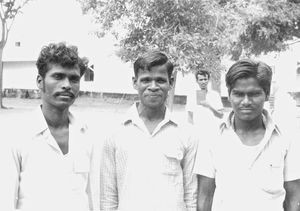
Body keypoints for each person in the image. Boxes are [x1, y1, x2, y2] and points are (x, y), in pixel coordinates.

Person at [194, 59, 300, 211]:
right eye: (238, 94)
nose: (246, 102)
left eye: (254, 94)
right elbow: (205, 197)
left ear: (267, 94)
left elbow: (294, 197)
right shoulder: (211, 138)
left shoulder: (287, 138)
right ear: (229, 95)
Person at [100, 51, 198, 211]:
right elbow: (108, 198)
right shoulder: (115, 131)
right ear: (134, 82)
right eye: (146, 80)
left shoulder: (186, 133)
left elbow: (191, 196)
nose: (153, 87)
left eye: (160, 80)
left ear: (171, 82)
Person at [5, 42, 96, 210]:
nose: (67, 85)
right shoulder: (15, 135)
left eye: (74, 79)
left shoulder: (87, 134)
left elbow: (92, 197)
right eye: (58, 76)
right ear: (40, 81)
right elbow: (5, 200)